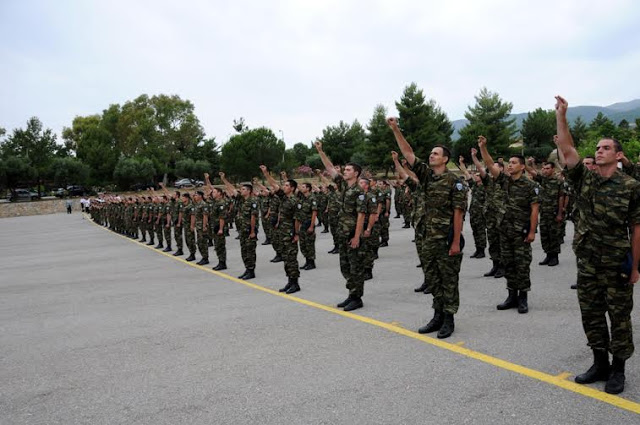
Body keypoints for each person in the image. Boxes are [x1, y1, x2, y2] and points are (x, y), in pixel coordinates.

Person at [555, 95, 639, 394]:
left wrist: (636, 267)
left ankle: (618, 370)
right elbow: (566, 148)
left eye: (606, 148)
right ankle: (599, 363)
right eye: (597, 148)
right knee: (591, 315)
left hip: (617, 263)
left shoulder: (631, 186)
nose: (599, 151)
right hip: (588, 263)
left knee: (619, 318)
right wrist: (562, 116)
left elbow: (636, 227)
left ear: (618, 155)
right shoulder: (584, 180)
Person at [388, 117, 467, 339]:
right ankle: (437, 315)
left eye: (435, 153)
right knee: (433, 279)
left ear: (445, 159)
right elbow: (409, 154)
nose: (431, 155)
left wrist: (455, 241)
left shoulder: (455, 182)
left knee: (448, 280)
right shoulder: (426, 176)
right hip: (427, 238)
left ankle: (449, 319)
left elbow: (458, 212)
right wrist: (396, 129)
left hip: (446, 239)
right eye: (431, 153)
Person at [478, 135, 539, 314]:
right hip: (504, 231)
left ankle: (523, 298)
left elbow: (535, 209)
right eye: (509, 162)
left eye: (513, 162)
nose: (510, 165)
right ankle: (511, 296)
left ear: (522, 166)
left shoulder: (530, 186)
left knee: (522, 265)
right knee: (509, 264)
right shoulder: (503, 181)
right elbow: (489, 164)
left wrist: (532, 232)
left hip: (521, 232)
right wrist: (483, 148)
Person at [314, 140, 367, 312]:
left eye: (348, 170)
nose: (344, 171)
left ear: (356, 173)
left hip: (353, 234)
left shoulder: (359, 193)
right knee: (345, 266)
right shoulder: (344, 185)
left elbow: (361, 215)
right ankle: (351, 294)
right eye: (344, 170)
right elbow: (330, 168)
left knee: (355, 267)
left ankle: (357, 298)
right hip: (343, 233)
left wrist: (357, 237)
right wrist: (321, 151)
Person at [526, 159, 564, 267]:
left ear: (553, 169)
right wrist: (525, 165)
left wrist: (560, 213)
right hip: (543, 213)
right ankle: (548, 255)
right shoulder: (543, 180)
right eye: (545, 168)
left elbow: (561, 197)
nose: (545, 171)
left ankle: (554, 257)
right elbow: (533, 173)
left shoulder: (558, 181)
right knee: (545, 235)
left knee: (554, 235)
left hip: (554, 212)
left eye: (548, 169)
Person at [221, 172, 259, 279]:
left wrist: (252, 231)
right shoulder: (242, 200)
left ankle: (251, 271)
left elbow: (253, 218)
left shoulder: (253, 201)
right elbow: (232, 189)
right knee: (244, 250)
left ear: (249, 191)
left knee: (250, 250)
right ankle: (247, 269)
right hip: (242, 230)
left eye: (243, 189)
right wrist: (224, 179)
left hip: (249, 230)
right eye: (241, 189)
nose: (240, 191)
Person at [459, 154, 486, 259]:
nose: (475, 176)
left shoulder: (485, 187)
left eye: (478, 175)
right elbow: (466, 173)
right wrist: (461, 163)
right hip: (474, 212)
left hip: (481, 213)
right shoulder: (474, 186)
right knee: (475, 231)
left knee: (481, 231)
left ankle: (482, 250)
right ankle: (477, 249)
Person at [297, 182, 318, 271]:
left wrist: (312, 226)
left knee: (309, 244)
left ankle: (311, 263)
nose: (301, 188)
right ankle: (307, 261)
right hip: (302, 225)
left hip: (309, 224)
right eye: (301, 187)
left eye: (303, 187)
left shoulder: (312, 198)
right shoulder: (302, 199)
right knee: (303, 244)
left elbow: (314, 213)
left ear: (308, 188)